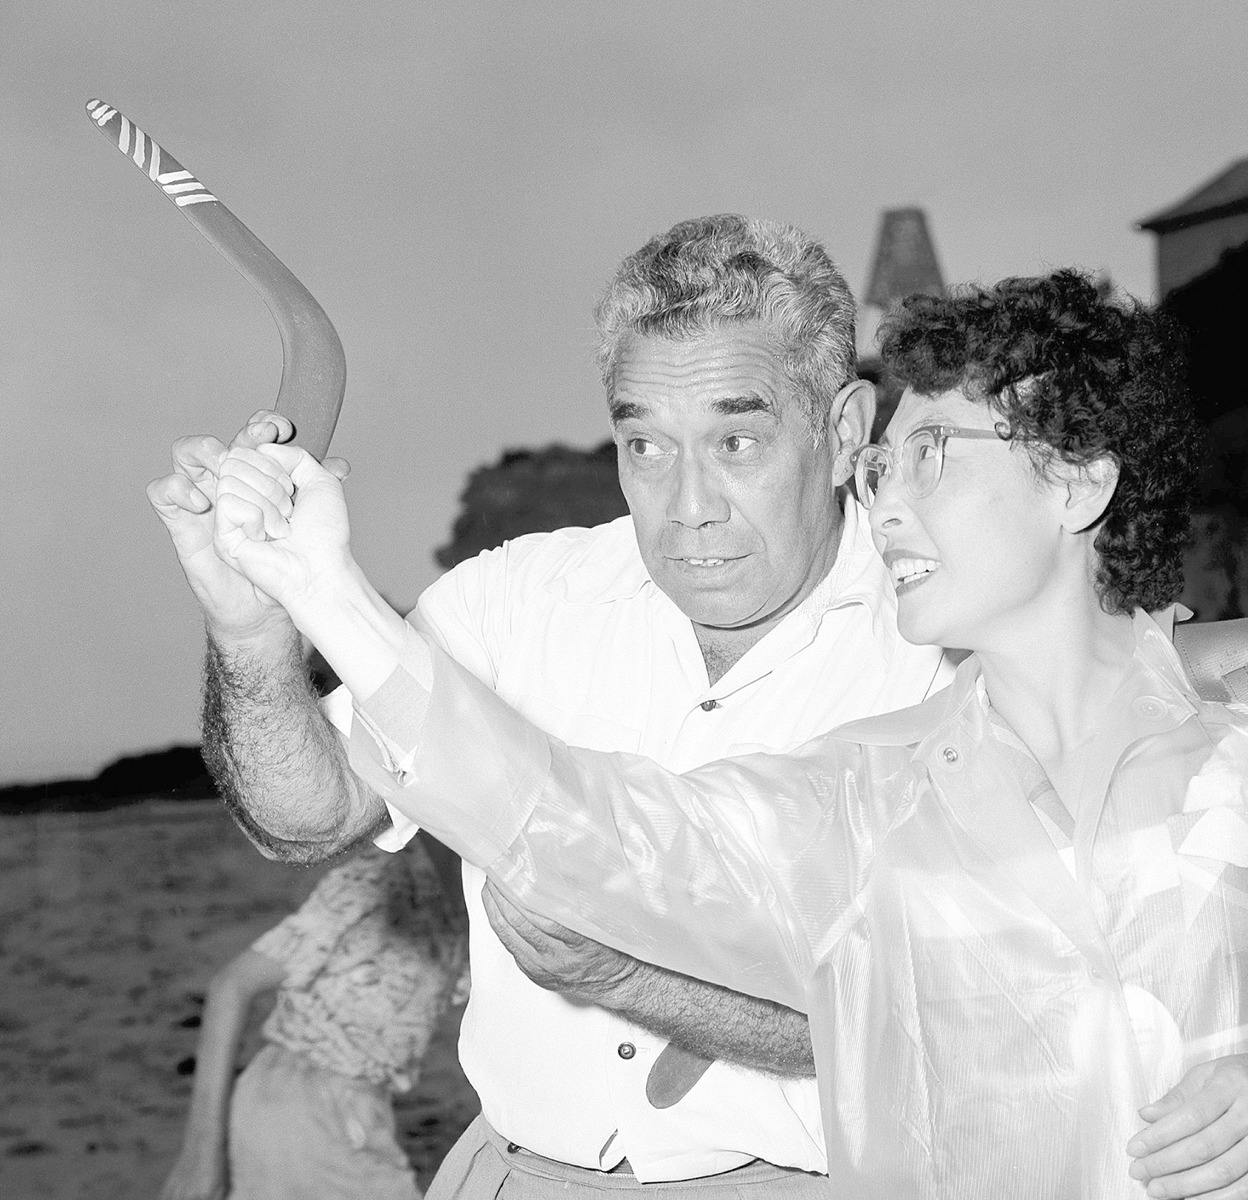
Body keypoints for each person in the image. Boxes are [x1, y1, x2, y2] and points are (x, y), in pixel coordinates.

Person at [206, 266, 1248, 1200]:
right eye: (882, 464)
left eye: (932, 457)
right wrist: (321, 589)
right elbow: (581, 825)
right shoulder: (872, 791)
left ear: (1080, 480)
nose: (888, 502)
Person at [146, 214, 953, 1197]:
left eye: (736, 440)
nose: (689, 505)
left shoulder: (940, 643)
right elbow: (306, 823)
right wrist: (252, 629)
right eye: (646, 447)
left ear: (841, 432)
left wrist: (632, 982)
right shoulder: (516, 598)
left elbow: (932, 1017)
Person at [159, 835, 467, 1200]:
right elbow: (232, 986)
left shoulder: (473, 885)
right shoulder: (380, 875)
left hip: (348, 1106)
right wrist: (200, 1156)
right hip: (306, 1106)